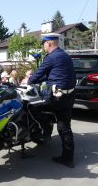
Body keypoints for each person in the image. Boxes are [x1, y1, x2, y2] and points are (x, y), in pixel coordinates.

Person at [28, 33, 76, 168]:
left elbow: (38, 74)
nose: (43, 46)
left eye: (44, 43)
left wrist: (29, 80)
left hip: (56, 97)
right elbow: (53, 75)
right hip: (69, 96)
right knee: (64, 127)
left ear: (49, 43)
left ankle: (43, 132)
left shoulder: (51, 57)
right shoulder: (65, 55)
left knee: (31, 106)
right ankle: (68, 158)